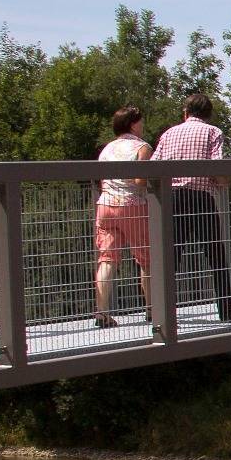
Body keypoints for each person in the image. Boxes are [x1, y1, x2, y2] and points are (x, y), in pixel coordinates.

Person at [151, 90, 231, 321]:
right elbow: (217, 167)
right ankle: (225, 309)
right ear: (208, 114)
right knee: (215, 253)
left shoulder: (168, 133)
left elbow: (152, 168)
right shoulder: (213, 132)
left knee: (171, 255)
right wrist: (224, 182)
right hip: (201, 197)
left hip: (173, 198)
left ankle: (163, 312)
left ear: (185, 113)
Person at [93, 107, 151, 328]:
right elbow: (140, 181)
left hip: (106, 205)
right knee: (147, 259)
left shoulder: (107, 149)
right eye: (141, 122)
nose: (143, 126)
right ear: (133, 124)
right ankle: (152, 310)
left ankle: (102, 312)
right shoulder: (142, 147)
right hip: (132, 206)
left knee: (107, 259)